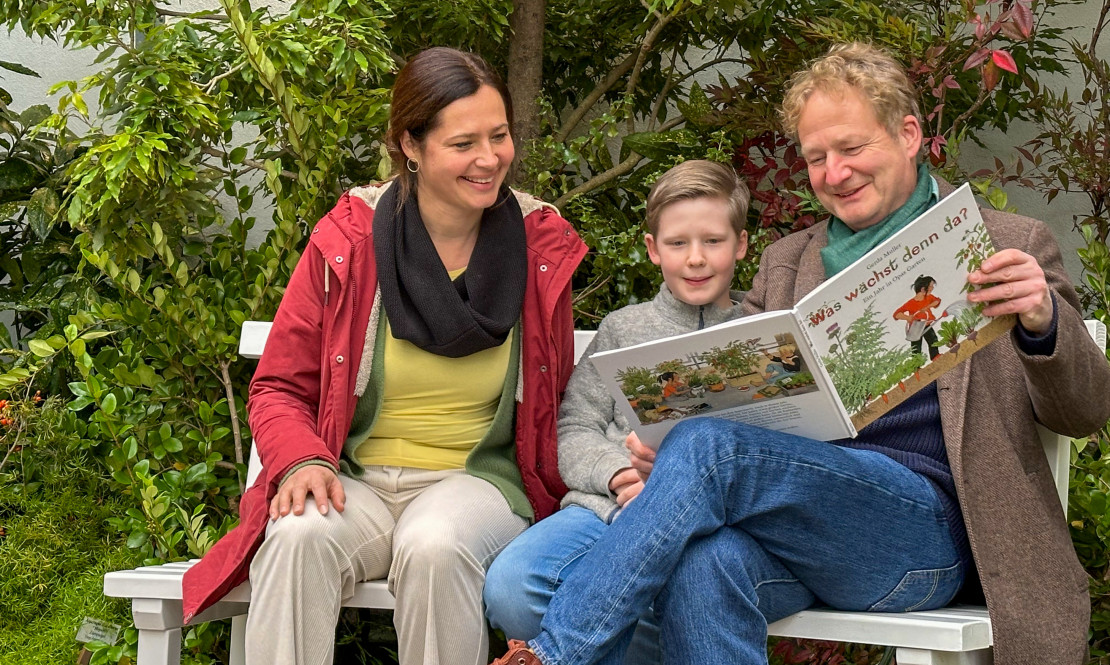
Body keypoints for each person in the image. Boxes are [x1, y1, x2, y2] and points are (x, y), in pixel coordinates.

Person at [492, 42, 1110, 665]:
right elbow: (750, 406)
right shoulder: (787, 263)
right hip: (802, 530)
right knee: (705, 562)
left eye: (851, 149)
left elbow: (1086, 411)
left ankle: (555, 655)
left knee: (709, 448)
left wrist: (1042, 320)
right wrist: (669, 443)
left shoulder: (1005, 244)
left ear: (909, 133)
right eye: (816, 158)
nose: (834, 173)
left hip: (928, 537)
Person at [179, 47, 587, 665]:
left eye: (499, 136)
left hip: (477, 482)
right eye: (463, 143)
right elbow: (279, 385)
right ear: (411, 146)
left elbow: (558, 398)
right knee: (297, 538)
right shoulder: (348, 241)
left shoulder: (540, 246)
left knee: (435, 544)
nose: (489, 159)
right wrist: (298, 463)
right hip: (357, 479)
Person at [483, 160, 751, 665]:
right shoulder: (622, 329)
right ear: (653, 249)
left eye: (713, 241)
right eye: (677, 243)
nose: (696, 259)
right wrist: (620, 475)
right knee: (513, 587)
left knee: (678, 592)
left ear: (740, 244)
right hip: (611, 508)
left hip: (706, 528)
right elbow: (574, 427)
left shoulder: (757, 330)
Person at [893, 274, 942, 358]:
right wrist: (907, 318)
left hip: (926, 325)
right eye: (931, 286)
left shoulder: (928, 297)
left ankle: (935, 356)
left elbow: (937, 301)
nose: (932, 288)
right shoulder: (911, 303)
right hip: (916, 328)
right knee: (916, 348)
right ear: (923, 289)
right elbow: (896, 314)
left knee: (933, 340)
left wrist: (927, 307)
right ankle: (916, 367)